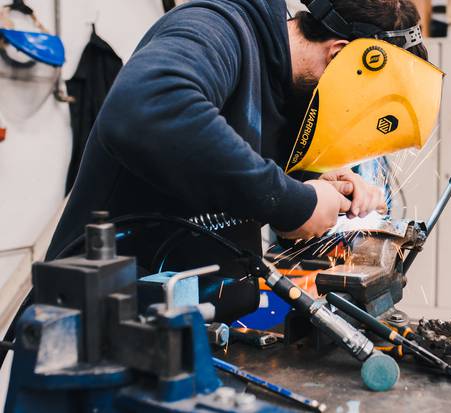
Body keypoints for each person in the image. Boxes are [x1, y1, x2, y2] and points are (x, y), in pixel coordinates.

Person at [46, 0, 428, 263]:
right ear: (340, 54)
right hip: (97, 325)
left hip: (189, 323)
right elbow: (148, 107)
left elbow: (235, 163)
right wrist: (293, 203)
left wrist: (314, 180)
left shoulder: (287, 88)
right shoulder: (218, 28)